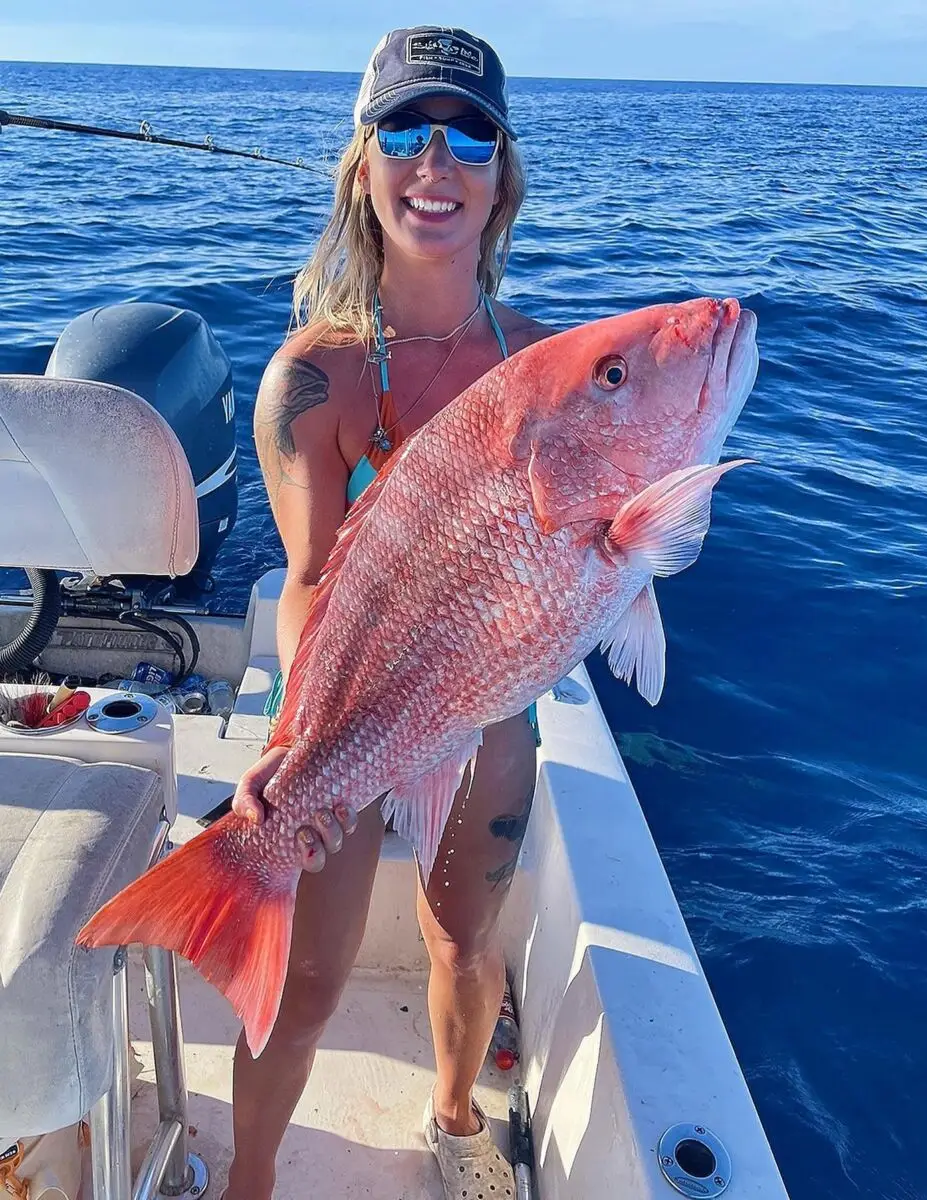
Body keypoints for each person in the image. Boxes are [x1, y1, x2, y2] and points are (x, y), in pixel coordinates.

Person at [221, 26, 555, 1200]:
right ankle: (249, 1177)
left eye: (471, 135)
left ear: (503, 175)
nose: (437, 162)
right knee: (309, 980)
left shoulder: (552, 374)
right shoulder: (310, 379)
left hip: (489, 702)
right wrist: (301, 746)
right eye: (404, 131)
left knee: (464, 940)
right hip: (352, 703)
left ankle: (455, 1121)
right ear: (362, 166)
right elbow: (310, 579)